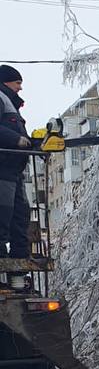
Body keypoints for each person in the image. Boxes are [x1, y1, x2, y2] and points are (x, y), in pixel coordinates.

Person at [0, 65, 33, 285]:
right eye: (17, 82)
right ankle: (1, 273)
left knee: (20, 218)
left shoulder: (12, 104)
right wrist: (16, 140)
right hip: (2, 170)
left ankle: (18, 272)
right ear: (6, 82)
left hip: (15, 172)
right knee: (2, 218)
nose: (20, 87)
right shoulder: (1, 99)